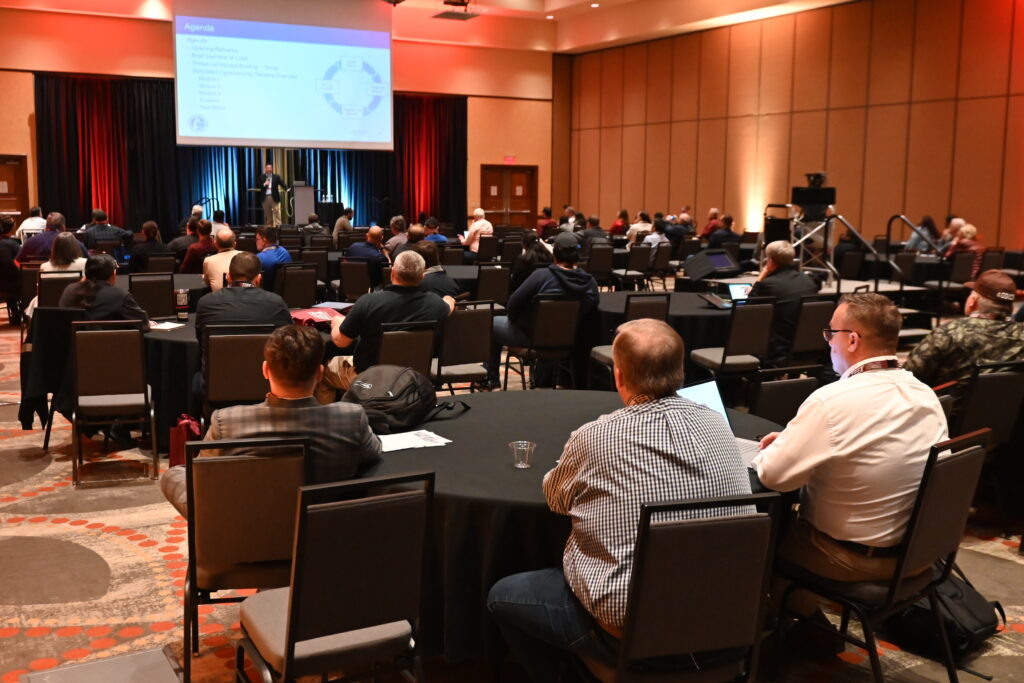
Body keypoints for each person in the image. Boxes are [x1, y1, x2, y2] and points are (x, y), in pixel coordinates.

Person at [487, 319, 753, 682]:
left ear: (619, 376)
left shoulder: (596, 436)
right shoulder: (718, 424)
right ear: (680, 371)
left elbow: (555, 498)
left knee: (503, 596)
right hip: (730, 619)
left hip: (634, 631)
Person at [752, 293, 947, 622]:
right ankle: (810, 626)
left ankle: (767, 632)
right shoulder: (925, 395)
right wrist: (798, 440)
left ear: (852, 339)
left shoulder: (832, 400)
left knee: (759, 540)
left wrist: (776, 449)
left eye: (831, 333)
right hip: (918, 555)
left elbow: (774, 476)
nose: (828, 342)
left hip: (847, 559)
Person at [159, 325, 382, 517]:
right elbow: (373, 455)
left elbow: (202, 483)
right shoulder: (351, 417)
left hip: (245, 540)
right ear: (320, 373)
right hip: (322, 540)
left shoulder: (226, 422)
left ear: (265, 370)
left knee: (176, 476)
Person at [322, 251, 455, 395]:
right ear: (422, 277)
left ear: (393, 273)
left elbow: (341, 342)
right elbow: (449, 305)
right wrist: (448, 298)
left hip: (369, 379)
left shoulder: (368, 301)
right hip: (413, 378)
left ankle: (333, 415)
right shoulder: (436, 304)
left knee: (321, 372)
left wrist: (337, 323)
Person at [485, 232, 599, 388]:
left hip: (532, 338)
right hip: (569, 340)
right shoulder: (590, 282)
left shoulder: (541, 276)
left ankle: (491, 378)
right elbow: (589, 311)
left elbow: (512, 305)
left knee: (491, 322)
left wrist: (520, 321)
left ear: (555, 254)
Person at [904, 270, 1024, 409]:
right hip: (1006, 421)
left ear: (973, 301)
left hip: (946, 421)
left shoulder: (950, 332)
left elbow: (909, 378)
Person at [194, 251, 292, 393]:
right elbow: (286, 342)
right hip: (266, 385)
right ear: (258, 279)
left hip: (217, 387)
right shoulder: (276, 303)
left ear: (228, 277)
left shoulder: (206, 303)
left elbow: (200, 340)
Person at [748, 240, 820, 365]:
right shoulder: (807, 280)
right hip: (810, 345)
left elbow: (749, 308)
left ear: (770, 261)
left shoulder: (768, 284)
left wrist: (760, 278)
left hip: (780, 347)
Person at [58, 254, 149, 325]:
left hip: (71, 347)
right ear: (113, 274)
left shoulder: (69, 290)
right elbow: (143, 323)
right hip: (109, 347)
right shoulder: (120, 296)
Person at [16, 213, 88, 262]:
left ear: (46, 226)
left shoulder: (30, 242)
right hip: (67, 282)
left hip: (36, 282)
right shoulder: (73, 242)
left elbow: (17, 261)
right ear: (63, 227)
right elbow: (88, 260)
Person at [202, 227, 241, 291]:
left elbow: (206, 283)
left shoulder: (208, 261)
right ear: (235, 244)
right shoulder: (246, 257)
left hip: (218, 299)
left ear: (215, 244)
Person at [255, 225, 292, 291]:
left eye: (257, 239)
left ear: (264, 239)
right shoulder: (286, 252)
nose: (256, 242)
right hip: (286, 294)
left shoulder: (259, 258)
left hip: (266, 296)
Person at [0, 218, 22, 322]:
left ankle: (15, 313)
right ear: (13, 228)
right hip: (10, 283)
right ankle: (21, 313)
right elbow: (21, 260)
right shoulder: (13, 245)